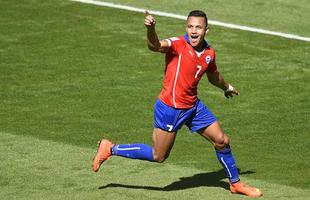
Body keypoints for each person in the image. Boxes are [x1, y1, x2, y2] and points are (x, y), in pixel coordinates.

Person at [92, 10, 262, 198]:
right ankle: (111, 148)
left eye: (198, 27)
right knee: (159, 156)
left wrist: (226, 87)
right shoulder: (178, 44)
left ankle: (235, 183)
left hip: (193, 107)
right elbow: (155, 46)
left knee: (222, 141)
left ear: (207, 30)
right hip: (170, 109)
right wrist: (151, 29)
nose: (194, 31)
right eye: (190, 26)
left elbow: (214, 76)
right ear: (186, 28)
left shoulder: (209, 53)